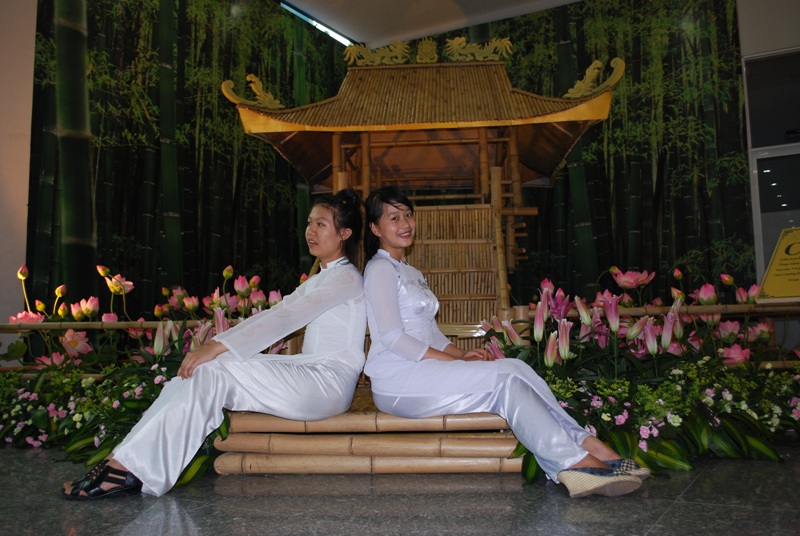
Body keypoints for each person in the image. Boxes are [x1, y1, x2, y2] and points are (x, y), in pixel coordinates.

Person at [64, 189, 367, 499]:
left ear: (344, 233)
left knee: (213, 367)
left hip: (327, 383)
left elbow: (284, 318)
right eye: (309, 222)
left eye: (321, 224)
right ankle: (124, 464)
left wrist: (217, 345)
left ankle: (127, 470)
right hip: (308, 373)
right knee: (203, 370)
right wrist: (216, 349)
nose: (310, 231)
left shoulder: (346, 279)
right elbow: (277, 313)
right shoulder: (321, 279)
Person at [362, 186, 648, 498]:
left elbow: (430, 332)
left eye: (408, 215)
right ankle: (575, 463)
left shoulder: (411, 272)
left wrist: (461, 354)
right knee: (505, 381)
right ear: (375, 228)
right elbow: (394, 339)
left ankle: (588, 447)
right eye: (394, 218)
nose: (405, 223)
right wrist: (455, 363)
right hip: (399, 380)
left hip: (424, 372)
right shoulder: (379, 269)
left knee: (514, 367)